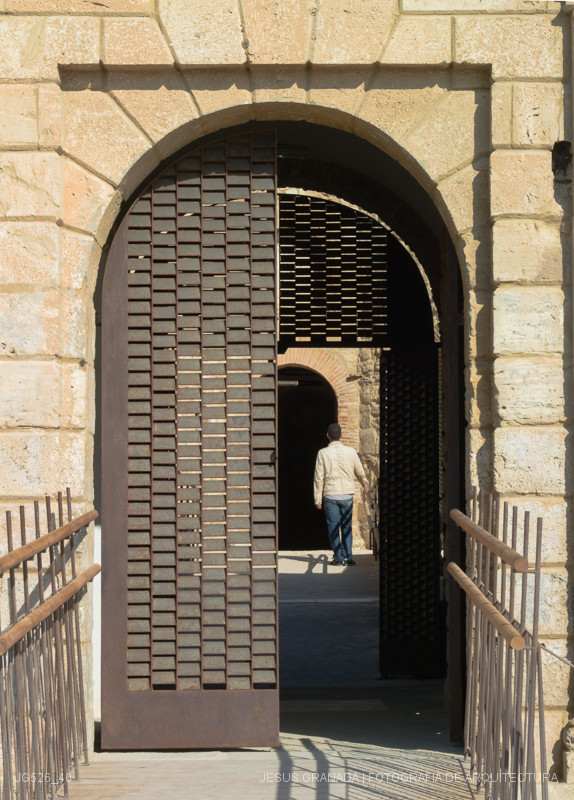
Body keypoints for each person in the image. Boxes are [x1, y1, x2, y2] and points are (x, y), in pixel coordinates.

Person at [313, 422, 367, 566]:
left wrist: (317, 498)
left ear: (327, 436)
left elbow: (319, 477)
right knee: (346, 526)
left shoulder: (322, 453)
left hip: (331, 494)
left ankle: (338, 557)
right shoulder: (351, 451)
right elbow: (360, 471)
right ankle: (349, 557)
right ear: (341, 435)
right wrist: (366, 484)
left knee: (333, 527)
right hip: (347, 494)